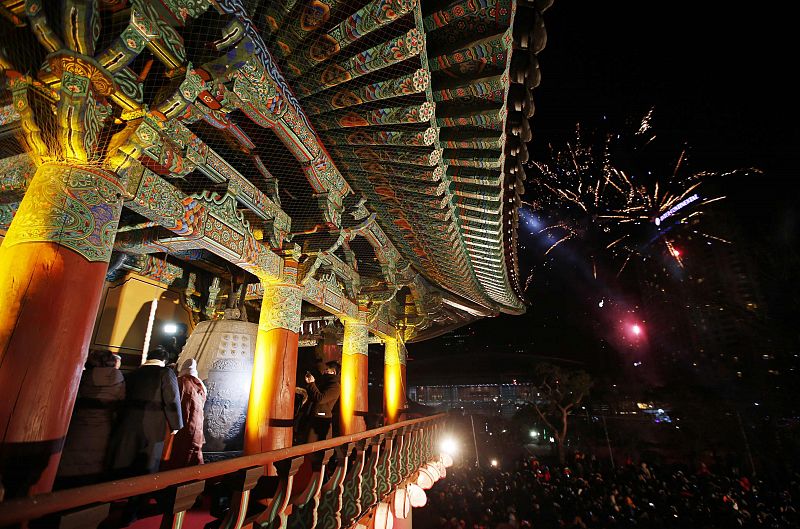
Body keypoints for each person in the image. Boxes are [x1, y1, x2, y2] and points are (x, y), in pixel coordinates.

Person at [56, 350, 125, 488]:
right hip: (103, 424)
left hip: (78, 423)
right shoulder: (117, 377)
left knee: (70, 460)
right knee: (95, 462)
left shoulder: (83, 376)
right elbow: (121, 400)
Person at [162, 358, 207, 470]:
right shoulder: (200, 384)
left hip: (179, 422)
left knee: (177, 450)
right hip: (196, 423)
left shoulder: (178, 381)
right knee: (191, 449)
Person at [302, 361, 341, 442]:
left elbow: (320, 399)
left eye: (327, 370)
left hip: (321, 420)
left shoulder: (335, 386)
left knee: (315, 448)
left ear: (333, 372)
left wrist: (312, 384)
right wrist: (310, 383)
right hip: (314, 417)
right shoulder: (325, 382)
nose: (324, 371)